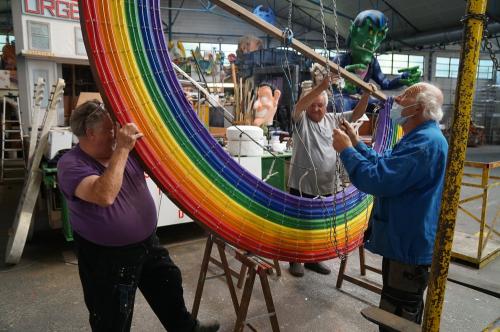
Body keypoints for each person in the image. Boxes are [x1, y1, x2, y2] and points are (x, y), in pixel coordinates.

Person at [57, 100, 219, 332]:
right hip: (107, 256)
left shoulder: (122, 151)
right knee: (112, 314)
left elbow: (161, 152)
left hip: (147, 243)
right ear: (90, 133)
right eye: (109, 130)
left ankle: (187, 329)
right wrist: (122, 149)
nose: (116, 134)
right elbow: (105, 195)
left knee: (168, 285)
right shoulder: (71, 164)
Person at [332, 82, 448, 328]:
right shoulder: (419, 137)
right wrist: (356, 143)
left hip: (409, 245)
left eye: (404, 96)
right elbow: (385, 164)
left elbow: (378, 180)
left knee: (397, 318)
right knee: (401, 308)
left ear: (419, 108)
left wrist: (346, 152)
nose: (397, 101)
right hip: (403, 241)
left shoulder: (425, 143)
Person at [287, 75, 372, 277]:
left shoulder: (333, 119)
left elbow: (357, 113)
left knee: (320, 227)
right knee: (300, 226)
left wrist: (367, 94)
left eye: (320, 105)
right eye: (313, 105)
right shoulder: (301, 121)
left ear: (326, 106)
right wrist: (321, 87)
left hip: (327, 185)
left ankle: (313, 260)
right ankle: (295, 260)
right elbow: (299, 107)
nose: (316, 109)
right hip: (302, 185)